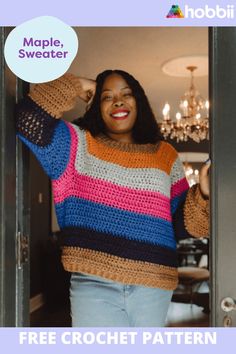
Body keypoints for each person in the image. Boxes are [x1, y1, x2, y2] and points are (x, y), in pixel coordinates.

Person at [16, 69, 210, 327]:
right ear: (96, 103)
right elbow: (27, 119)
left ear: (138, 101)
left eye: (126, 94)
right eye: (107, 96)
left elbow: (180, 224)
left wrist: (204, 194)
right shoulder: (77, 144)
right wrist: (78, 84)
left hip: (153, 285)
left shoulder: (166, 155)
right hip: (94, 283)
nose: (118, 101)